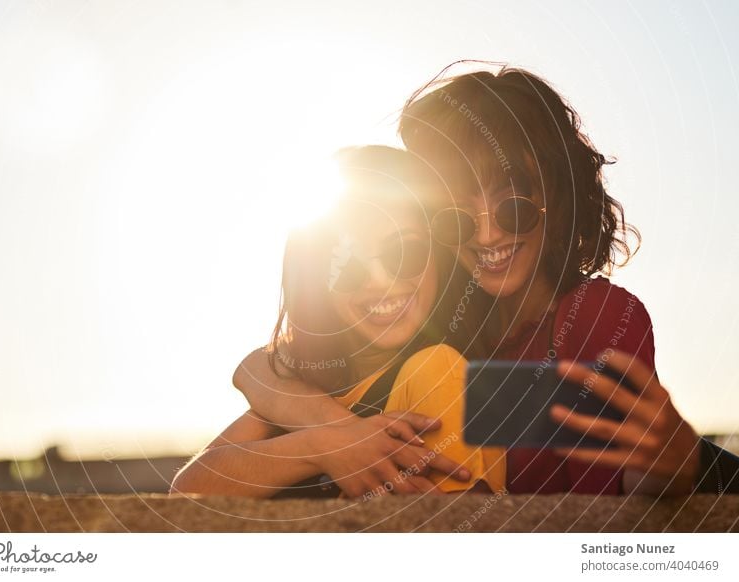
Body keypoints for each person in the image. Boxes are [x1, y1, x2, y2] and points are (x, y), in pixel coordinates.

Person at [234, 65, 739, 496]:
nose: (489, 232)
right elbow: (266, 368)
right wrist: (333, 436)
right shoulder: (437, 326)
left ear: (560, 200)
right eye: (458, 215)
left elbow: (608, 503)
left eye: (514, 205)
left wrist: (684, 467)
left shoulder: (591, 318)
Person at [171, 146, 506, 498]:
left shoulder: (437, 370)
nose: (379, 281)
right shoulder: (308, 391)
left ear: (438, 256)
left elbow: (458, 529)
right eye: (347, 268)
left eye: (403, 252)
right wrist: (323, 446)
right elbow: (187, 495)